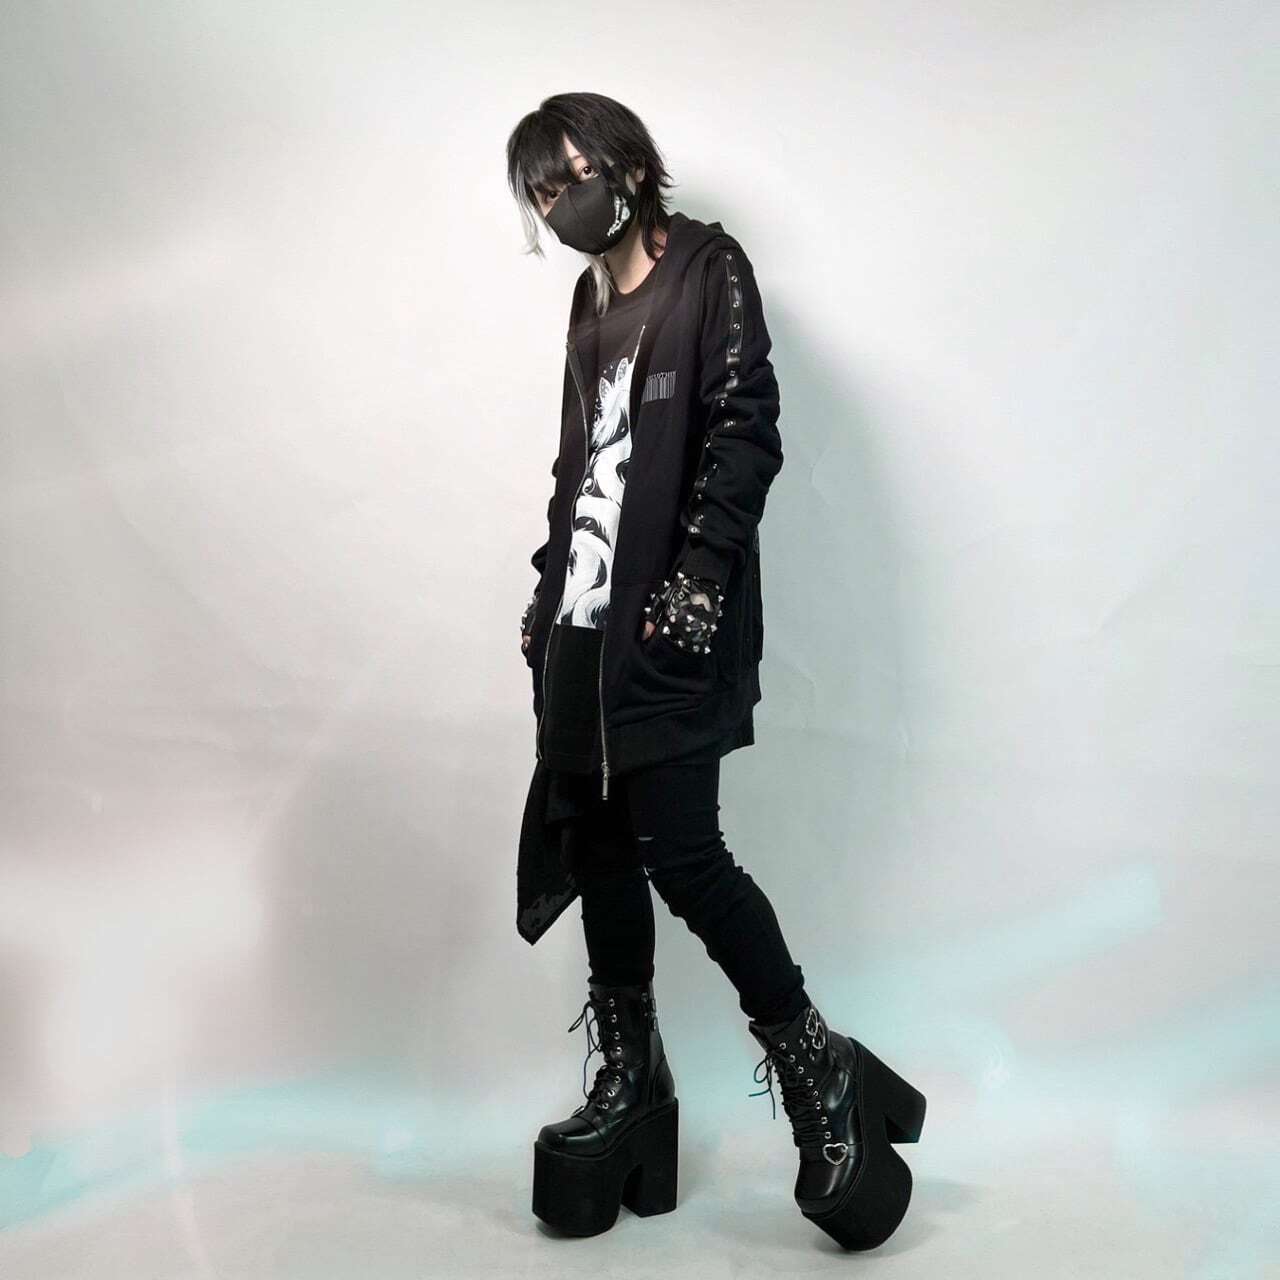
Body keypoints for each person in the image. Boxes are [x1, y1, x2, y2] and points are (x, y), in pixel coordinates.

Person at [505, 92, 926, 1251]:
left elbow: (745, 426)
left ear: (625, 164)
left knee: (682, 853)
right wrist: (547, 596)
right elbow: (577, 467)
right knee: (597, 848)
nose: (559, 202)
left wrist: (694, 581)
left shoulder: (706, 270)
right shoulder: (588, 307)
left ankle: (818, 1069)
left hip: (669, 622)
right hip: (585, 630)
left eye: (569, 176)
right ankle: (632, 1086)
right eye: (540, 193)